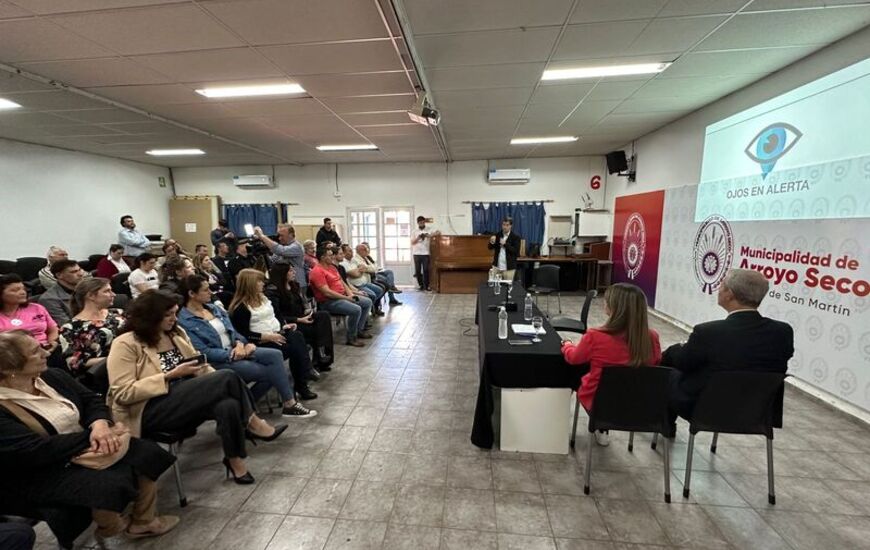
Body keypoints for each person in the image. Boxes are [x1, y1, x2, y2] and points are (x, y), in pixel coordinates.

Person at [0, 331, 179, 540]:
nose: (45, 353)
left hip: (85, 445)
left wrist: (100, 425)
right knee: (108, 484)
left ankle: (143, 521)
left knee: (145, 451)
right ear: (9, 368)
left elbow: (90, 400)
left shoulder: (52, 376)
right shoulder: (4, 406)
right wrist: (93, 437)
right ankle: (111, 525)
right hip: (43, 467)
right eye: (34, 352)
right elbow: (33, 450)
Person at [107, 290, 287, 485]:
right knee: (226, 376)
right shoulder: (125, 343)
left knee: (228, 404)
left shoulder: (176, 333)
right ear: (150, 316)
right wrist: (168, 376)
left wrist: (213, 381)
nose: (174, 319)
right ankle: (254, 423)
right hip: (151, 408)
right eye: (168, 315)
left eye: (175, 313)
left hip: (186, 396)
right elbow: (122, 393)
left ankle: (235, 461)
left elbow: (199, 365)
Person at [662, 269, 794, 419]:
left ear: (729, 294)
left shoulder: (709, 332)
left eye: (721, 286)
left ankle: (664, 424)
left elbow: (683, 363)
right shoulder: (783, 332)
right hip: (758, 411)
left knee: (669, 369)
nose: (718, 290)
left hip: (707, 408)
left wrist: (676, 349)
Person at [178, 275, 317, 413]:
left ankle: (255, 405)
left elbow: (234, 332)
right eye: (206, 290)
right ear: (191, 294)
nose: (210, 292)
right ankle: (281, 404)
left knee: (276, 355)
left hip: (238, 349)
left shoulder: (214, 309)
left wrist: (240, 344)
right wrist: (234, 353)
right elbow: (203, 351)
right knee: (271, 371)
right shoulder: (185, 321)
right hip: (220, 359)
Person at [561, 283, 662, 446]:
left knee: (574, 373)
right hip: (638, 404)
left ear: (614, 307)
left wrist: (566, 345)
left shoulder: (595, 336)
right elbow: (655, 363)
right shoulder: (652, 338)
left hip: (600, 404)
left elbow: (574, 358)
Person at [228, 270, 320, 401]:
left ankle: (303, 379)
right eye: (259, 281)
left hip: (276, 333)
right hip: (259, 341)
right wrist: (268, 337)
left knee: (297, 335)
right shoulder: (240, 308)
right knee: (296, 348)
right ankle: (303, 381)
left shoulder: (263, 298)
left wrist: (284, 326)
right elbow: (244, 335)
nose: (262, 283)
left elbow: (275, 317)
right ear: (249, 284)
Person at [268, 263, 333, 371]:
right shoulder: (273, 292)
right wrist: (298, 319)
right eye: (290, 271)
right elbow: (277, 315)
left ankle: (322, 353)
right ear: (282, 273)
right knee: (316, 329)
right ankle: (319, 357)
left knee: (323, 316)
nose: (294, 272)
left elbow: (300, 305)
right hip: (288, 322)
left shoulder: (294, 285)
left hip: (301, 316)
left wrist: (307, 311)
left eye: (293, 270)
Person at [59, 278, 123, 383]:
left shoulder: (118, 313)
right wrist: (116, 359)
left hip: (135, 362)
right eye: (107, 291)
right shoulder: (71, 328)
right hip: (107, 375)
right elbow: (74, 363)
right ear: (91, 296)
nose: (113, 294)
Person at [310, 245, 372, 347]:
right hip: (328, 301)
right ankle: (351, 337)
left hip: (342, 296)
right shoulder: (317, 271)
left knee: (367, 302)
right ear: (322, 257)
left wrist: (351, 295)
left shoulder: (332, 268)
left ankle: (359, 330)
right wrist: (347, 298)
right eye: (330, 256)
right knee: (356, 309)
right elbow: (327, 292)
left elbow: (343, 283)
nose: (332, 257)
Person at [0, 274, 58, 353]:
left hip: (45, 350)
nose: (22, 292)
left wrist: (52, 343)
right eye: (15, 290)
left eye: (23, 289)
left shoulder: (37, 308)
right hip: (12, 355)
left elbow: (53, 329)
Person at [254, 224, 307, 296]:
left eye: (282, 235)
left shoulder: (296, 247)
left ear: (291, 235)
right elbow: (272, 261)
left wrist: (262, 236)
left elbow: (280, 250)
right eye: (279, 235)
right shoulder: (284, 246)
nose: (279, 238)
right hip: (285, 284)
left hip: (297, 283)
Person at [340, 244, 386, 315]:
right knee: (372, 295)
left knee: (380, 289)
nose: (352, 252)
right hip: (356, 285)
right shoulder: (343, 263)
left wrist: (360, 270)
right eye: (349, 251)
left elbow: (374, 268)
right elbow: (355, 274)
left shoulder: (352, 260)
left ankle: (372, 308)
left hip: (365, 282)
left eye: (351, 250)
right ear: (344, 253)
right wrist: (360, 270)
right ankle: (369, 311)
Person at [38, 259, 85, 326]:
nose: (80, 274)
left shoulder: (87, 289)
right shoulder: (49, 299)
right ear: (59, 275)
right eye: (74, 272)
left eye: (79, 270)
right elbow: (66, 325)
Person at [488, 216, 521, 282]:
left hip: (509, 268)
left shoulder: (515, 237)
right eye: (503, 224)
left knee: (507, 288)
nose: (504, 227)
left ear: (511, 226)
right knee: (495, 287)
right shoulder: (497, 235)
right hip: (497, 267)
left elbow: (516, 252)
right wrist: (491, 242)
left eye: (507, 225)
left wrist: (505, 244)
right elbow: (490, 247)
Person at [412, 215, 438, 291]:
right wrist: (418, 238)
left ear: (424, 222)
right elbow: (412, 242)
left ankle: (427, 286)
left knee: (426, 270)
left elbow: (438, 232)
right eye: (420, 222)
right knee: (417, 270)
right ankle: (421, 285)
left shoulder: (429, 229)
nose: (422, 224)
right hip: (416, 253)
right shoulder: (414, 231)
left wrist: (429, 235)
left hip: (426, 253)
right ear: (418, 223)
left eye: (423, 222)